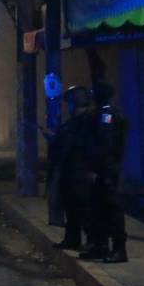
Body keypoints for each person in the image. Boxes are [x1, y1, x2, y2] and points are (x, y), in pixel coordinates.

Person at [83, 81, 130, 263]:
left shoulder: (107, 115)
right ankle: (100, 246)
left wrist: (96, 169)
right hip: (104, 167)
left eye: (94, 93)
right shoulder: (104, 113)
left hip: (106, 169)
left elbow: (105, 144)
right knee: (98, 209)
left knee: (111, 209)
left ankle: (118, 250)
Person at [51, 86, 98, 251]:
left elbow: (93, 146)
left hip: (82, 170)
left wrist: (93, 170)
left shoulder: (89, 120)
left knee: (84, 208)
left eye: (71, 100)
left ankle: (92, 242)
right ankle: (72, 239)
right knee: (70, 208)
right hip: (69, 170)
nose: (69, 104)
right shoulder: (72, 121)